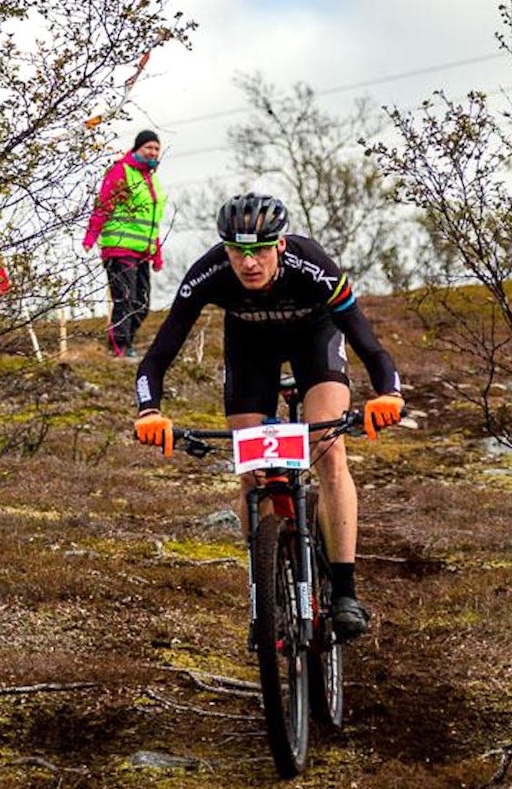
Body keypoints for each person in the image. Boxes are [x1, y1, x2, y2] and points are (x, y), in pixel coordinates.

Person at [132, 192, 405, 640]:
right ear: (225, 249)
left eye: (259, 250)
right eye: (237, 251)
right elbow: (157, 356)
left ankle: (344, 592)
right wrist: (149, 412)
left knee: (328, 448)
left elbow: (369, 345)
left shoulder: (312, 265)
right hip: (250, 349)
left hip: (314, 340)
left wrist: (389, 394)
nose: (248, 262)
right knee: (252, 474)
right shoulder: (209, 272)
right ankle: (265, 588)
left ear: (279, 244)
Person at [83, 129, 166, 359]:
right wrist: (91, 236)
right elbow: (104, 204)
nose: (153, 152)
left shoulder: (151, 179)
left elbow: (152, 222)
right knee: (125, 299)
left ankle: (123, 340)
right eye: (148, 147)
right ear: (137, 148)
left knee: (142, 303)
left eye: (156, 148)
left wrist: (157, 255)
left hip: (142, 250)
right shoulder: (122, 171)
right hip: (119, 247)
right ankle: (119, 346)